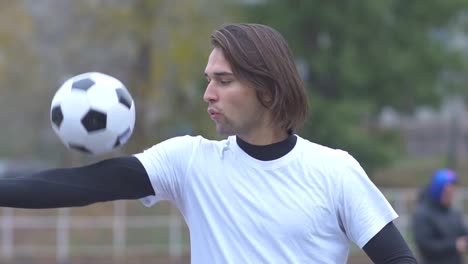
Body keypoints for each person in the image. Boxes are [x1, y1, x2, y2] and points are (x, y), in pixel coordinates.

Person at [0, 23, 416, 263]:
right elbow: (84, 185)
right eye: (208, 80)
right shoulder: (189, 162)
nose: (208, 95)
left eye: (224, 80)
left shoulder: (333, 170)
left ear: (268, 90)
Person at [413, 168, 468, 264]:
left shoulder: (453, 212)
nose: (452, 196)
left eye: (453, 192)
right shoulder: (422, 214)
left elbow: (462, 232)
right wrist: (454, 245)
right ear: (437, 191)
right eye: (448, 193)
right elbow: (425, 245)